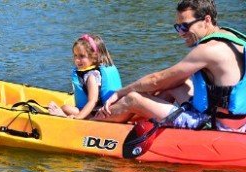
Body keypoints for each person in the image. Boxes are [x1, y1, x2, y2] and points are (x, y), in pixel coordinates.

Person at [94, 0, 246, 132]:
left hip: (214, 124)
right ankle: (137, 118)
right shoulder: (235, 38)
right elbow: (169, 80)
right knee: (175, 84)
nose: (181, 33)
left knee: (133, 98)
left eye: (185, 26)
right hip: (237, 120)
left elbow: (156, 79)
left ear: (207, 20)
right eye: (178, 27)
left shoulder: (207, 50)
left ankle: (93, 122)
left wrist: (120, 93)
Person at [48, 34, 122, 119]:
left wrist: (77, 118)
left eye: (81, 56)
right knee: (67, 108)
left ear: (94, 57)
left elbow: (92, 101)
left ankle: (64, 116)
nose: (77, 59)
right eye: (75, 55)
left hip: (99, 114)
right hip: (103, 110)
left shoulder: (91, 76)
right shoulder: (98, 70)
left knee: (65, 108)